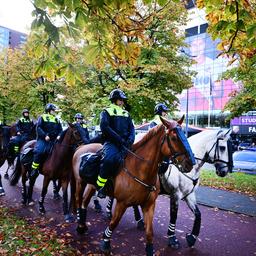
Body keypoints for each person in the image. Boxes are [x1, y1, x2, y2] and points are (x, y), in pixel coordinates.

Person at [96, 89, 135, 199]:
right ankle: (101, 186)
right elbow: (105, 127)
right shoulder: (106, 111)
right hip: (112, 143)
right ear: (114, 100)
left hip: (125, 144)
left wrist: (130, 139)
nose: (122, 101)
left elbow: (132, 128)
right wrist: (119, 139)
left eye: (123, 100)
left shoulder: (127, 114)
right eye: (120, 99)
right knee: (108, 159)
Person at [30, 103, 63, 179]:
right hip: (43, 139)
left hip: (54, 140)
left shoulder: (56, 119)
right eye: (53, 110)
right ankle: (34, 169)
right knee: (39, 151)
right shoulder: (42, 117)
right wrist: (45, 135)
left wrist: (59, 135)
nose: (54, 111)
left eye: (54, 110)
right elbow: (38, 128)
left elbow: (60, 130)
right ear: (48, 110)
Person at [149, 103, 170, 174]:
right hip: (157, 149)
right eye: (165, 111)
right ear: (160, 112)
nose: (166, 113)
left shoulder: (166, 122)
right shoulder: (154, 123)